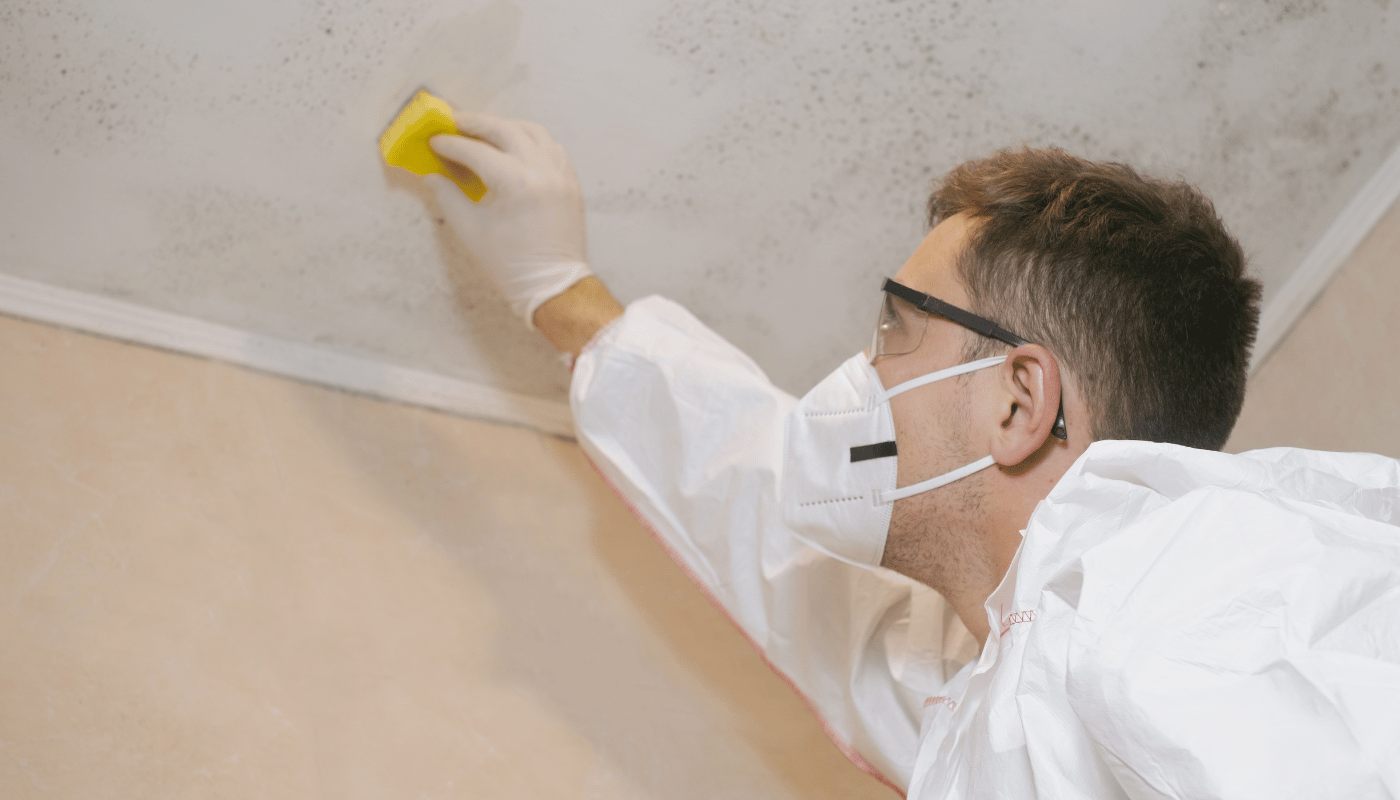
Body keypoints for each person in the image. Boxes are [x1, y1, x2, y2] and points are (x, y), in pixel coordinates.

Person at [417, 112, 1400, 798]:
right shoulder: (993, 690)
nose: (857, 374)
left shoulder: (1208, 592)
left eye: (893, 332)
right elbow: (770, 517)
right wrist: (559, 288)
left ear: (1019, 400)